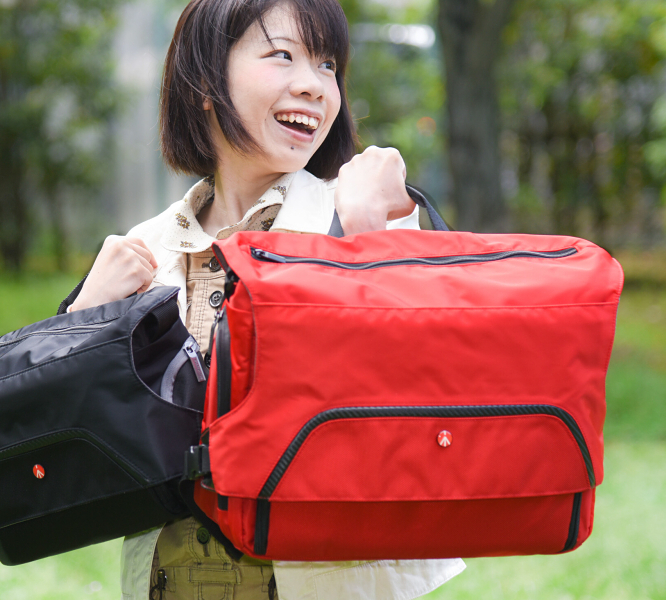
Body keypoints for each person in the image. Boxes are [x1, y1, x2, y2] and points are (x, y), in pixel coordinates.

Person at [67, 0, 465, 597]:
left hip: (328, 578)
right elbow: (70, 451)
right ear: (206, 82)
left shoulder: (369, 215)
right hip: (170, 580)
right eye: (282, 55)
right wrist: (82, 322)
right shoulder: (142, 253)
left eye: (328, 65)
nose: (313, 85)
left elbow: (431, 386)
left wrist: (368, 238)